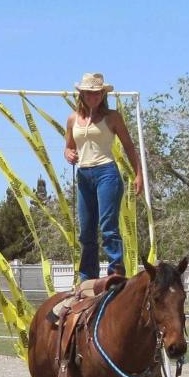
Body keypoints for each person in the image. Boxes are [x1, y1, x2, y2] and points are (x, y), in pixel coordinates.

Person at [65, 72, 143, 282]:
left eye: (97, 93)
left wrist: (139, 174)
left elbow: (128, 146)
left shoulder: (112, 117)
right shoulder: (73, 119)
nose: (94, 97)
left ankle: (116, 270)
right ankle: (87, 276)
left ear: (102, 94)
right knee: (87, 230)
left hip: (106, 172)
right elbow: (69, 147)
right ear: (82, 94)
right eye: (89, 93)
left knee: (108, 226)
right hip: (84, 174)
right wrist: (68, 154)